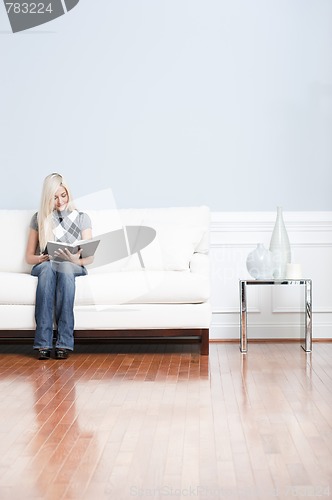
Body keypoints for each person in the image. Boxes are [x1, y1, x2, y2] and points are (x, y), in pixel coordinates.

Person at [25, 173, 93, 360]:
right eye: (54, 197)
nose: (60, 201)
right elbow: (29, 257)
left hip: (72, 265)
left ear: (68, 193)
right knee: (48, 269)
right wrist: (41, 258)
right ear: (47, 198)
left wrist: (73, 259)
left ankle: (64, 342)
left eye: (63, 195)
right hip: (46, 264)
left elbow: (88, 258)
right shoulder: (39, 218)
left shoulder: (81, 218)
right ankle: (43, 344)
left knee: (65, 268)